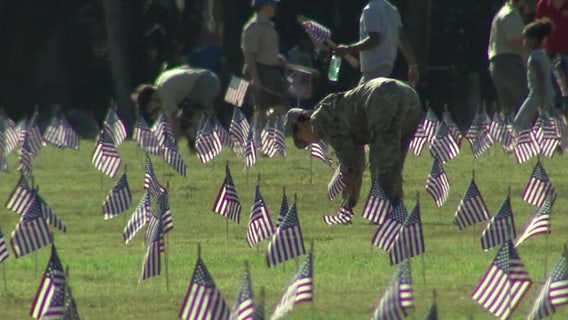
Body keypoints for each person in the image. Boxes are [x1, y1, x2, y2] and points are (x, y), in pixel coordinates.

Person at [284, 78, 421, 221]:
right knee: (393, 163)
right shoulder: (329, 108)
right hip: (409, 94)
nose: (308, 143)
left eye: (301, 139)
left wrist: (347, 204)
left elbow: (352, 161)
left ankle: (385, 215)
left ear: (299, 126)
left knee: (382, 164)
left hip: (383, 97)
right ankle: (396, 212)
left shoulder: (318, 121)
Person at [131, 65, 221, 151]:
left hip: (206, 83)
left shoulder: (165, 93)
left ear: (151, 99)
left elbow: (172, 120)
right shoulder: (160, 83)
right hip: (206, 78)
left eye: (150, 107)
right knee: (192, 116)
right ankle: (200, 144)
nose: (152, 110)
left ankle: (199, 144)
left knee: (187, 117)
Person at [333, 0, 419, 85]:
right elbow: (402, 39)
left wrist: (347, 49)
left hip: (374, 66)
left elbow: (374, 40)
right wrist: (412, 66)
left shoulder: (370, 9)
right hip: (387, 66)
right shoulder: (392, 10)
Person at [241, 0, 289, 131]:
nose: (274, 7)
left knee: (281, 105)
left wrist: (277, 58)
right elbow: (250, 55)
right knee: (262, 108)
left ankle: (267, 132)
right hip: (260, 70)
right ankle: (258, 140)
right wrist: (255, 78)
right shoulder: (254, 27)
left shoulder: (269, 26)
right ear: (263, 7)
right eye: (272, 4)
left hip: (272, 70)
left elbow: (266, 49)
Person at [487, 0, 530, 117]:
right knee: (525, 101)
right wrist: (532, 51)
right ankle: (525, 131)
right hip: (509, 62)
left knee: (509, 108)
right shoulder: (511, 14)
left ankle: (511, 132)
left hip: (497, 63)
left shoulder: (502, 12)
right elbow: (514, 42)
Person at [514, 18, 556, 131]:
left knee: (520, 121)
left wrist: (541, 99)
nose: (523, 42)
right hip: (547, 93)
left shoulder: (534, 57)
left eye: (525, 39)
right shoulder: (542, 54)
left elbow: (540, 78)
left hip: (538, 95)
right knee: (549, 122)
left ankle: (519, 142)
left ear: (533, 40)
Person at [535, 0, 568, 109]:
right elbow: (538, 29)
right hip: (549, 52)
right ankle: (559, 115)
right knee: (552, 88)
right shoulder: (543, 4)